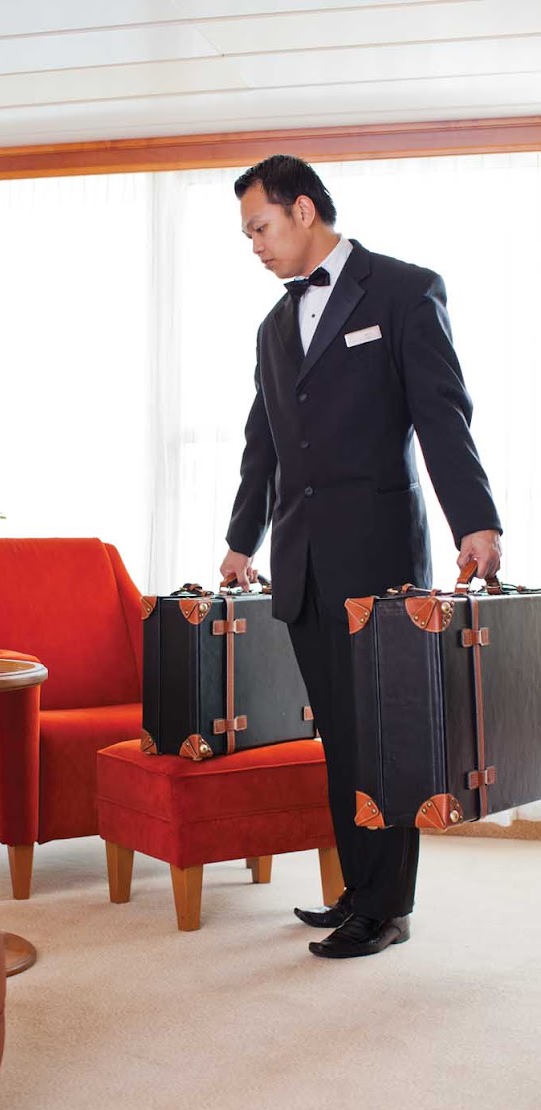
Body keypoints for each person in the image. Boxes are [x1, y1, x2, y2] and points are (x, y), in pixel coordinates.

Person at [220, 154, 502, 959]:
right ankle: (358, 891)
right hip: (305, 561)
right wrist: (244, 541)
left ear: (304, 210)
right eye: (247, 234)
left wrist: (475, 522)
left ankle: (389, 908)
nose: (255, 246)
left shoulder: (405, 290)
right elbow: (261, 445)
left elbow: (442, 415)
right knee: (341, 736)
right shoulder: (274, 326)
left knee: (386, 737)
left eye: (260, 227)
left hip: (380, 556)